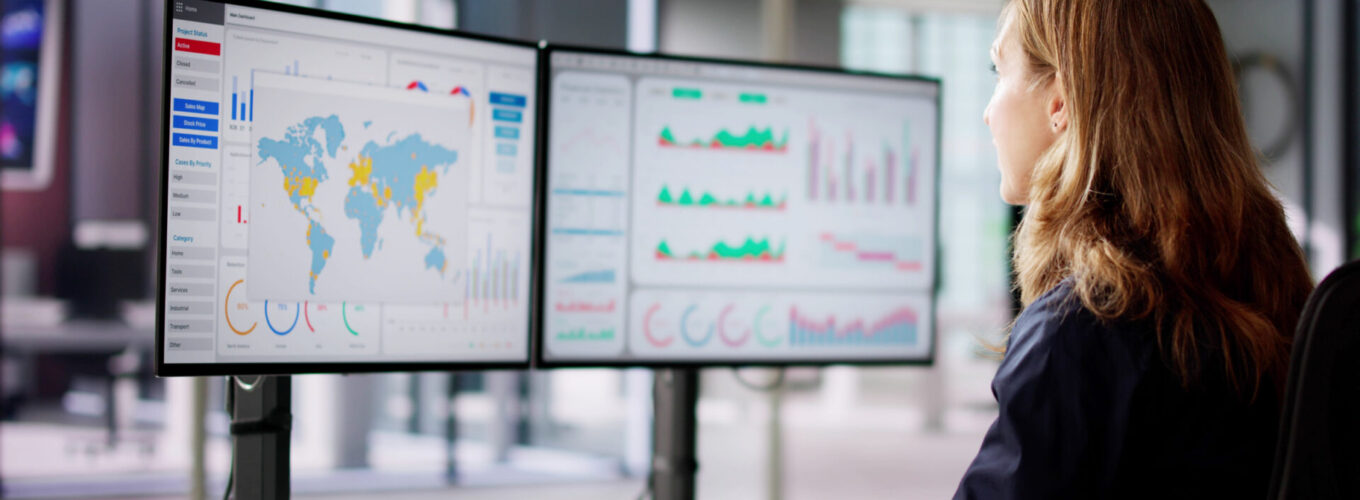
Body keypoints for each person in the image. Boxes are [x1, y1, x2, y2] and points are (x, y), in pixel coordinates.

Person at [954, 0, 1314, 498]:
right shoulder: (1277, 295)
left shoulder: (1078, 331)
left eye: (999, 70)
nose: (988, 112)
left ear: (1059, 101)